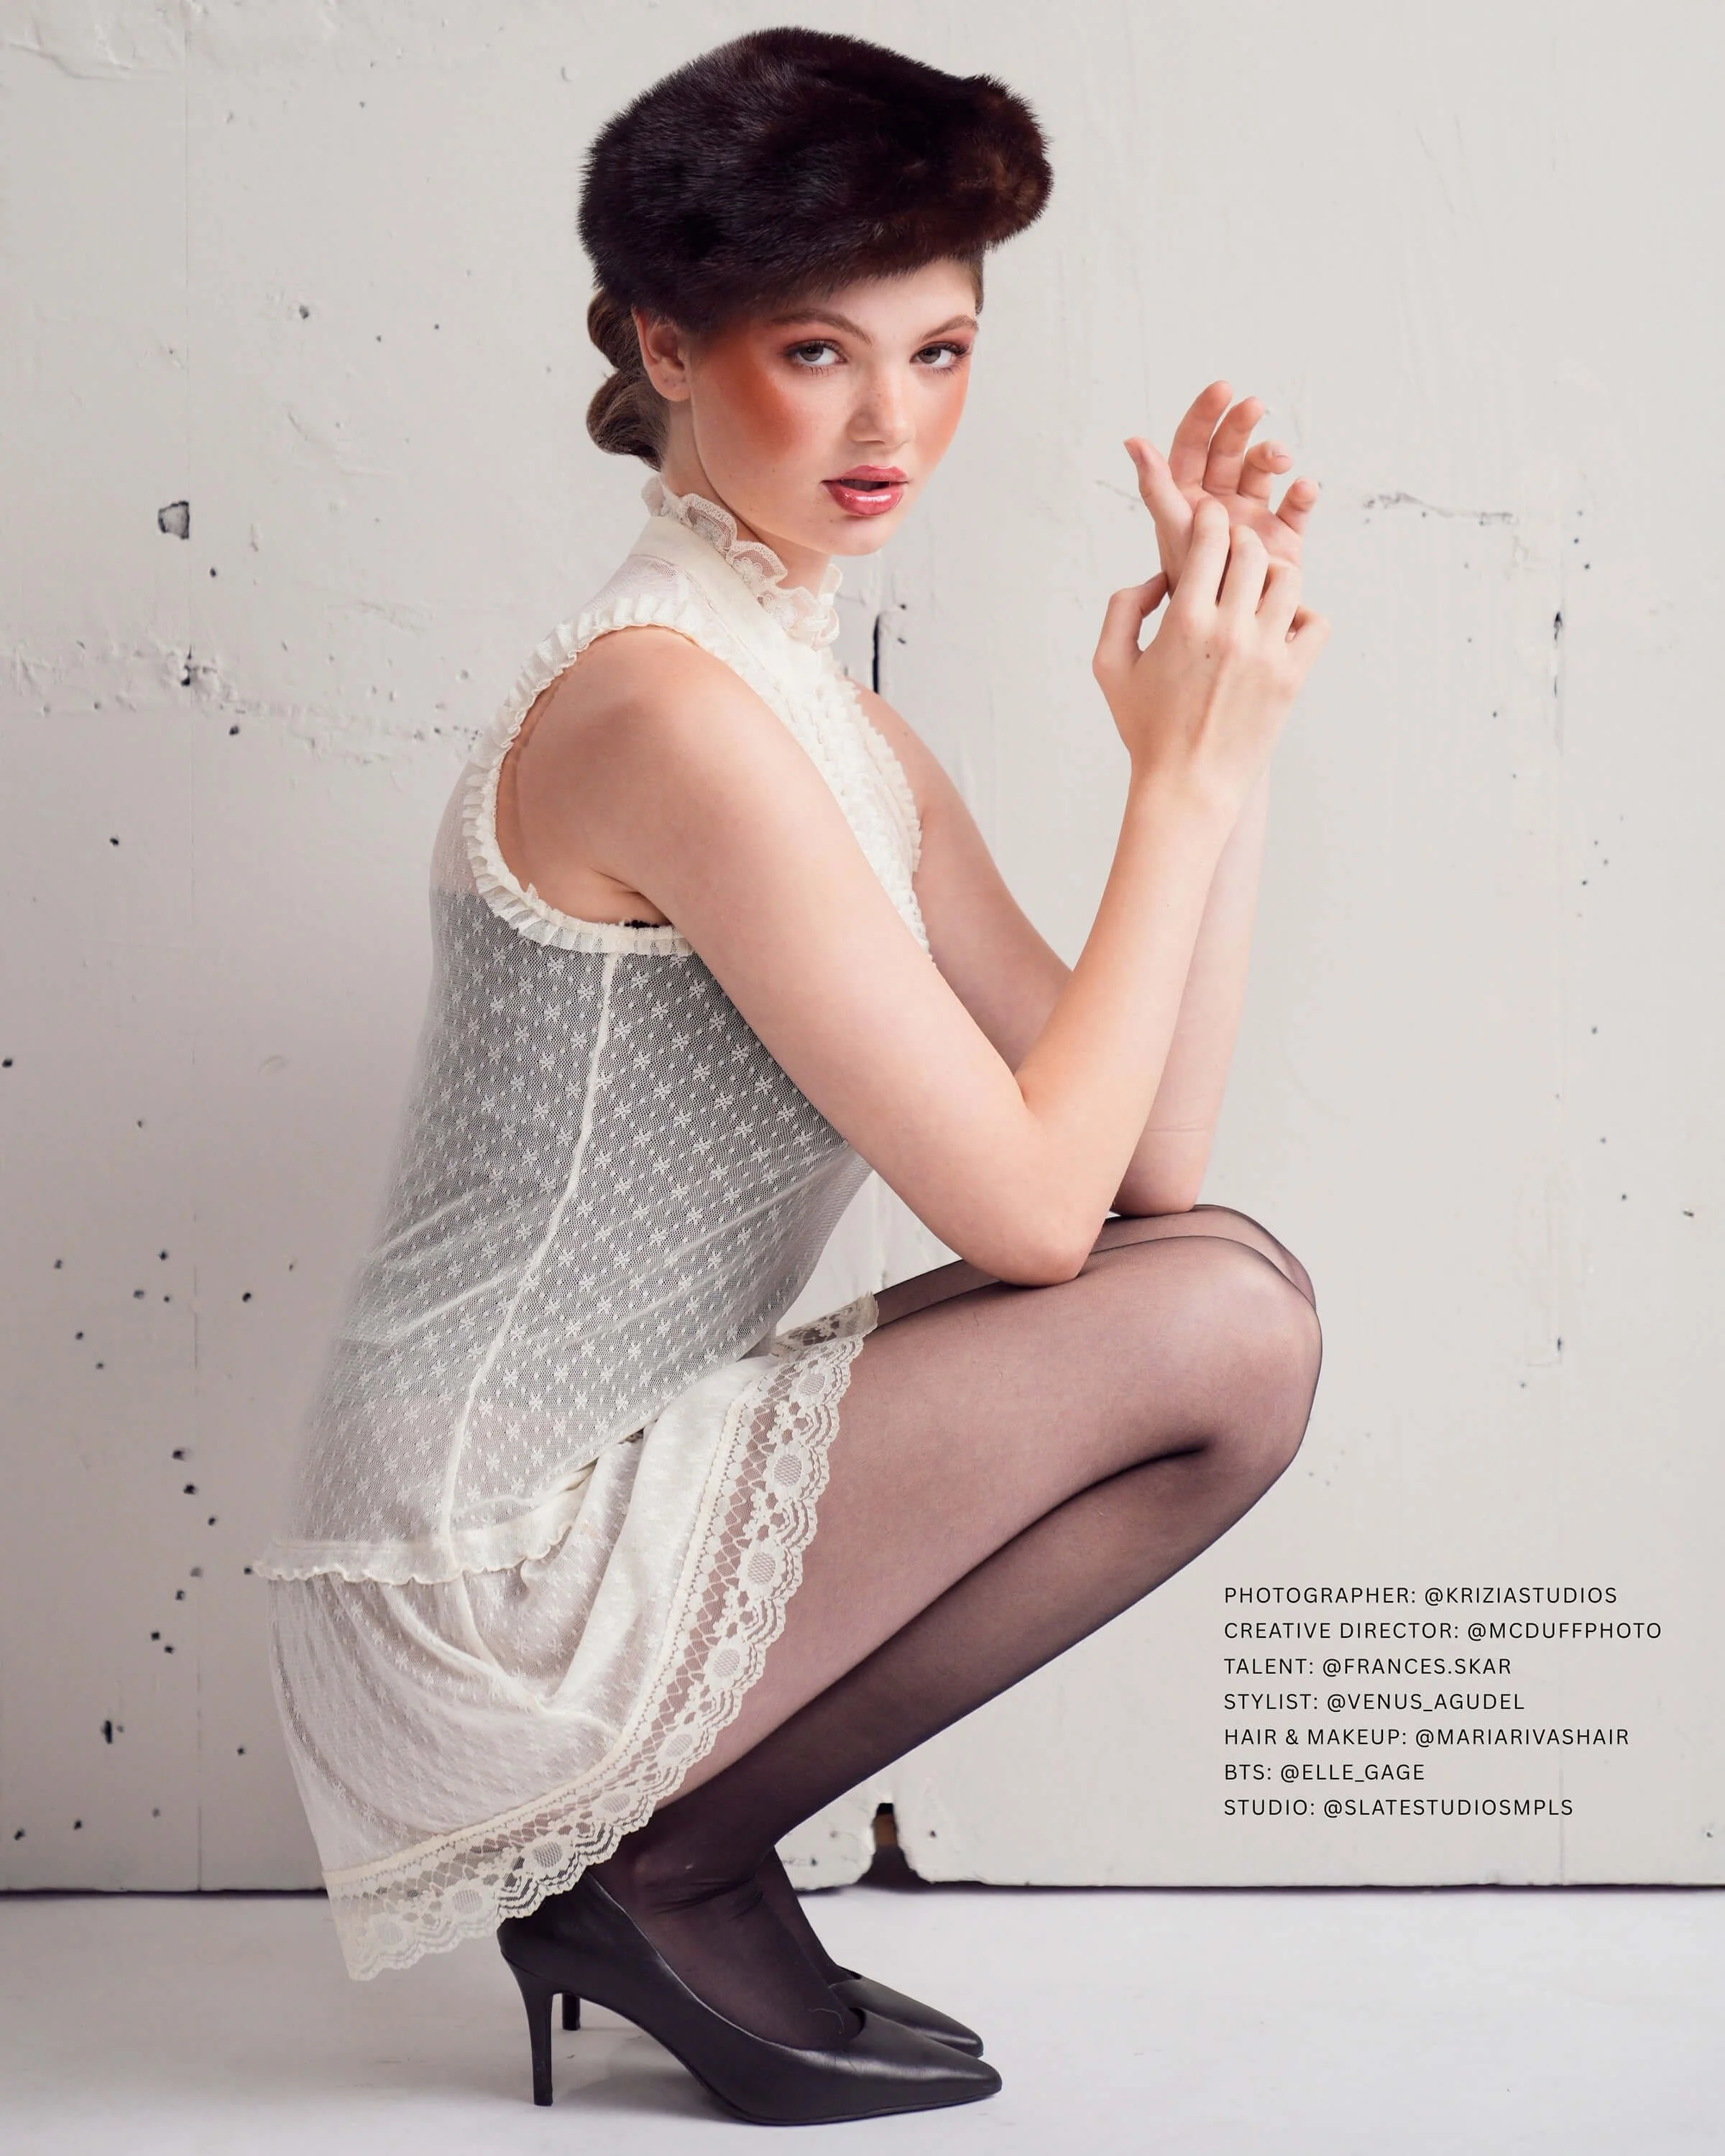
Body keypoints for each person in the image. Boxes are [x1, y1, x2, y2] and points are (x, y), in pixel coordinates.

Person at [255, 25, 1330, 2128]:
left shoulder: (824, 722)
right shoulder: (669, 716)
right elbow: (1038, 1221)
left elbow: (1145, 1162)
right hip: (485, 1552)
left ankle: (673, 1860)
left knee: (1227, 1295)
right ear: (665, 343)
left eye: (940, 353)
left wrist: (1231, 736)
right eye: (817, 351)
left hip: (624, 1466)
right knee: (1222, 1324)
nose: (888, 423)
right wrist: (1174, 801)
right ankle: (658, 1869)